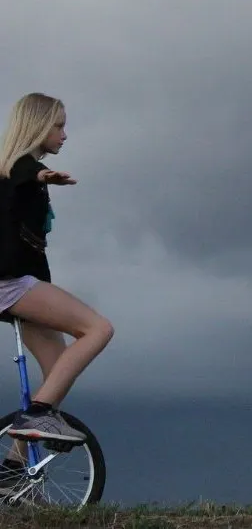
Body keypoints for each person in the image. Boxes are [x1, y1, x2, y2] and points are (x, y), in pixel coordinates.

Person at [0, 92, 114, 489]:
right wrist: (42, 176)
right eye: (58, 125)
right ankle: (37, 416)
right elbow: (22, 174)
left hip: (19, 284)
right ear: (37, 126)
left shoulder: (22, 171)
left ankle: (13, 472)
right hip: (10, 284)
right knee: (98, 329)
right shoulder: (18, 167)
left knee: (57, 370)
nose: (65, 134)